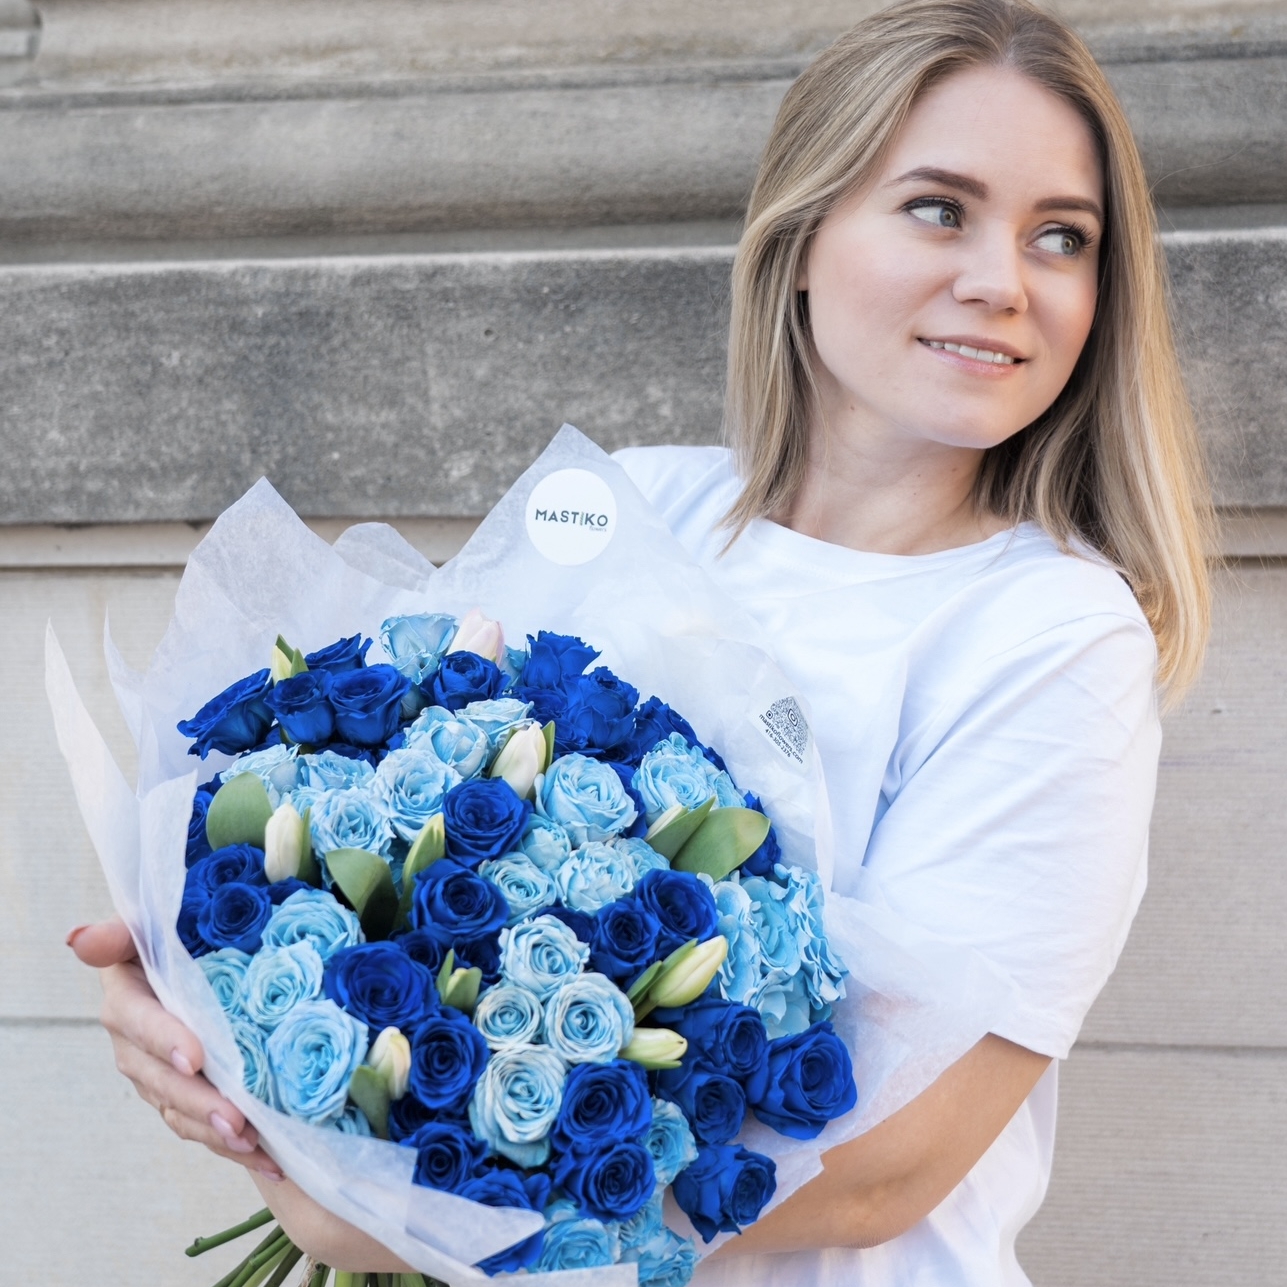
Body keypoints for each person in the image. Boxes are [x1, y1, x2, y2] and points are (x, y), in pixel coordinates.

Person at [69, 0, 1212, 1282]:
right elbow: (371, 814)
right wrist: (199, 1008)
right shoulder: (639, 501)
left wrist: (421, 1218)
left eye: (1062, 237)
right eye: (940, 209)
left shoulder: (1051, 635)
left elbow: (894, 1161)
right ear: (801, 234)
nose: (1004, 281)